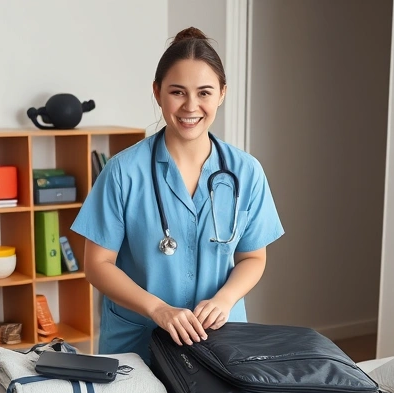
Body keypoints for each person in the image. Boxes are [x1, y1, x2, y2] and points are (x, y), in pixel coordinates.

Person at [71, 27, 284, 363]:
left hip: (218, 340)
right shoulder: (123, 171)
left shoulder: (246, 172)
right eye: (177, 92)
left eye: (204, 92)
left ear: (222, 94)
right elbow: (97, 265)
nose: (190, 106)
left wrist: (225, 300)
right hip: (138, 341)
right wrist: (158, 309)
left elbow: (253, 258)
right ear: (157, 93)